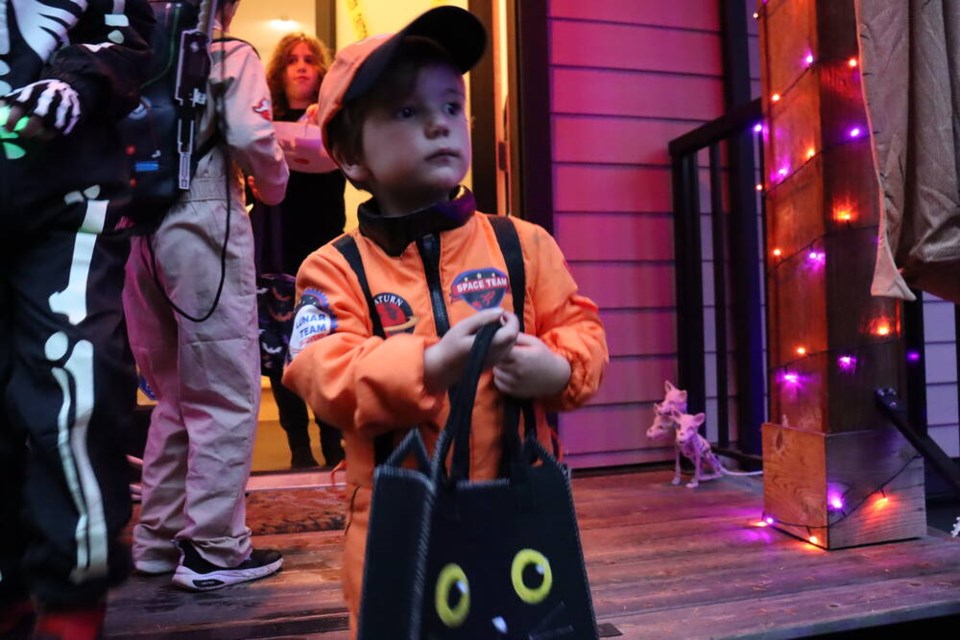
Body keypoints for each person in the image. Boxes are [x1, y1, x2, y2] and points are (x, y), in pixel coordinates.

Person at [280, 7, 609, 637]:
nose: (438, 123)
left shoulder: (524, 245)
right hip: (397, 525)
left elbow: (583, 332)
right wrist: (427, 365)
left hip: (521, 505)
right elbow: (321, 372)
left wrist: (557, 365)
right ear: (350, 156)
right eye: (406, 112)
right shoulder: (333, 270)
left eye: (452, 107)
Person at [122, 0, 290, 592]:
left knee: (174, 394)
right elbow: (249, 133)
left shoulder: (134, 55)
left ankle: (158, 542)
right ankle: (216, 551)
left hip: (136, 232)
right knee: (225, 391)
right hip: (203, 222)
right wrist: (274, 185)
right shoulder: (228, 53)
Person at [0, 1, 155, 638]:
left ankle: (70, 606)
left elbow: (129, 33)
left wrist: (72, 83)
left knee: (74, 382)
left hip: (67, 190)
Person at [255, 32, 347, 469]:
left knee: (322, 350)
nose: (302, 66)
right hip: (273, 252)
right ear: (279, 72)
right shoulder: (261, 122)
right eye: (292, 60)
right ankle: (298, 451)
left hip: (323, 250)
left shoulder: (333, 120)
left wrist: (327, 120)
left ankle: (333, 446)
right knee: (280, 357)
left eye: (310, 59)